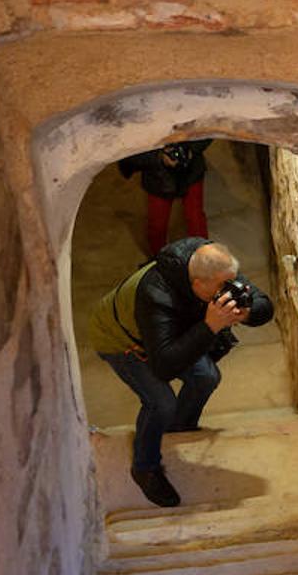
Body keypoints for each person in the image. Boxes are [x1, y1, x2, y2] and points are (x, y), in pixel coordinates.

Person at [86, 237, 274, 507]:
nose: (228, 290)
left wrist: (244, 313)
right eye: (222, 287)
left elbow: (265, 307)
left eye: (231, 281)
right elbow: (164, 367)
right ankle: (144, 467)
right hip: (120, 339)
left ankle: (179, 430)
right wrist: (210, 325)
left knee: (206, 377)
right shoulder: (155, 295)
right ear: (198, 285)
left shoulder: (215, 267)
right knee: (161, 402)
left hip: (170, 332)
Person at [119, 140, 213, 256]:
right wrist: (159, 157)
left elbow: (207, 129)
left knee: (195, 217)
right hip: (158, 178)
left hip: (191, 172)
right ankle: (160, 259)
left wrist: (191, 149)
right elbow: (128, 155)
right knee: (158, 225)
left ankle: (204, 257)